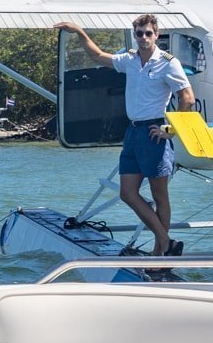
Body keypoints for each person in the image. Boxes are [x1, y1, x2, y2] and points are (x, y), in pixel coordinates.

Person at [54, 15, 196, 257]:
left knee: (159, 195)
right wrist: (79, 32)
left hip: (154, 131)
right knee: (127, 193)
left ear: (156, 34)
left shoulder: (167, 63)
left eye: (148, 33)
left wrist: (170, 131)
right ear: (134, 35)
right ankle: (166, 241)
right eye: (139, 33)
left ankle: (159, 251)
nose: (143, 38)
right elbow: (98, 56)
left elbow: (187, 98)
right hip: (133, 131)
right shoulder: (129, 59)